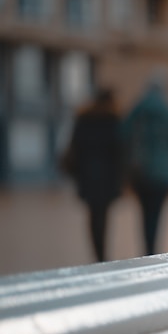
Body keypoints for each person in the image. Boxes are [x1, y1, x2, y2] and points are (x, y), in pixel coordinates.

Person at [122, 71, 168, 256]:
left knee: (144, 212)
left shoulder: (138, 108)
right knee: (156, 213)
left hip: (141, 172)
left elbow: (124, 134)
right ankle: (153, 247)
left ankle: (146, 247)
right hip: (163, 173)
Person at [62, 89, 123, 262]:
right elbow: (119, 152)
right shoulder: (113, 121)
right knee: (103, 216)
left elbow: (75, 147)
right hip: (107, 178)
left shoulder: (83, 119)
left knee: (92, 216)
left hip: (88, 176)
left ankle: (97, 252)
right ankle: (102, 252)